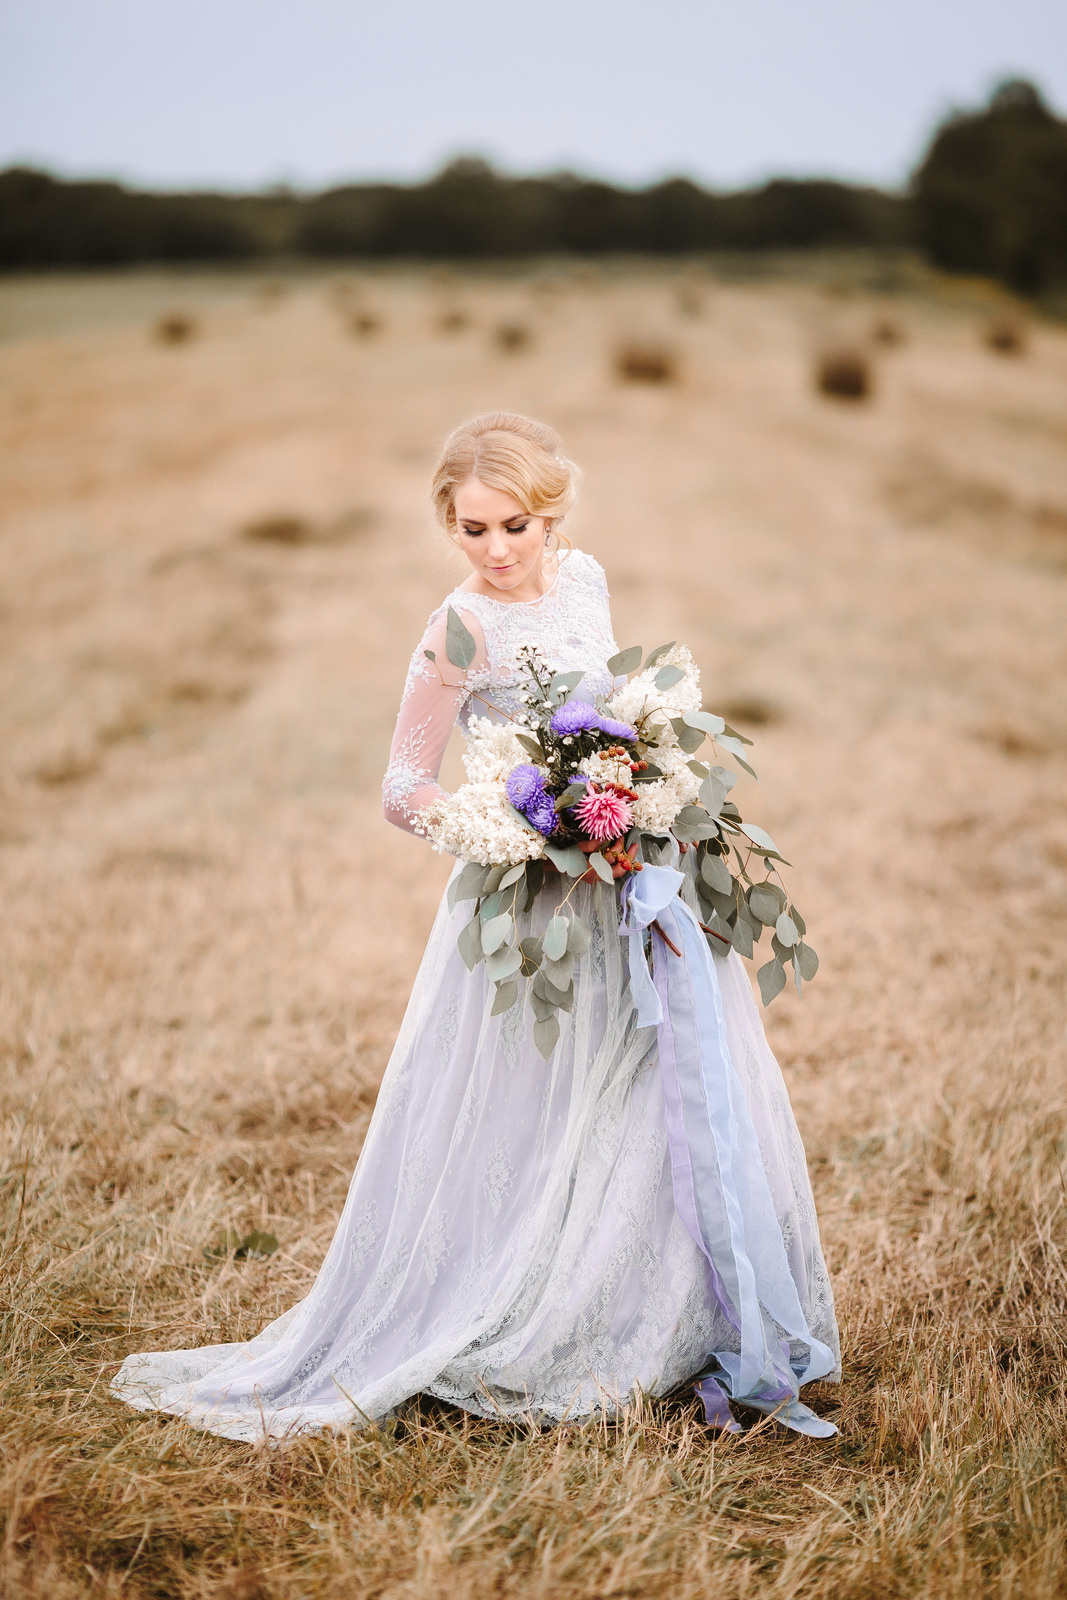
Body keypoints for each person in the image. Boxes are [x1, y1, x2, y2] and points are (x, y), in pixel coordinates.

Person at [112, 411, 839, 1442]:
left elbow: (607, 713)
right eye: (471, 530)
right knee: (540, 1102)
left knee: (652, 1085)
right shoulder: (456, 629)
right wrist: (509, 828)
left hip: (629, 874)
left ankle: (657, 1315)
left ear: (550, 515)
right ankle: (528, 1309)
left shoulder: (583, 581)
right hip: (530, 900)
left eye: (513, 527)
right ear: (448, 526)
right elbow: (401, 785)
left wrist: (637, 783)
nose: (495, 551)